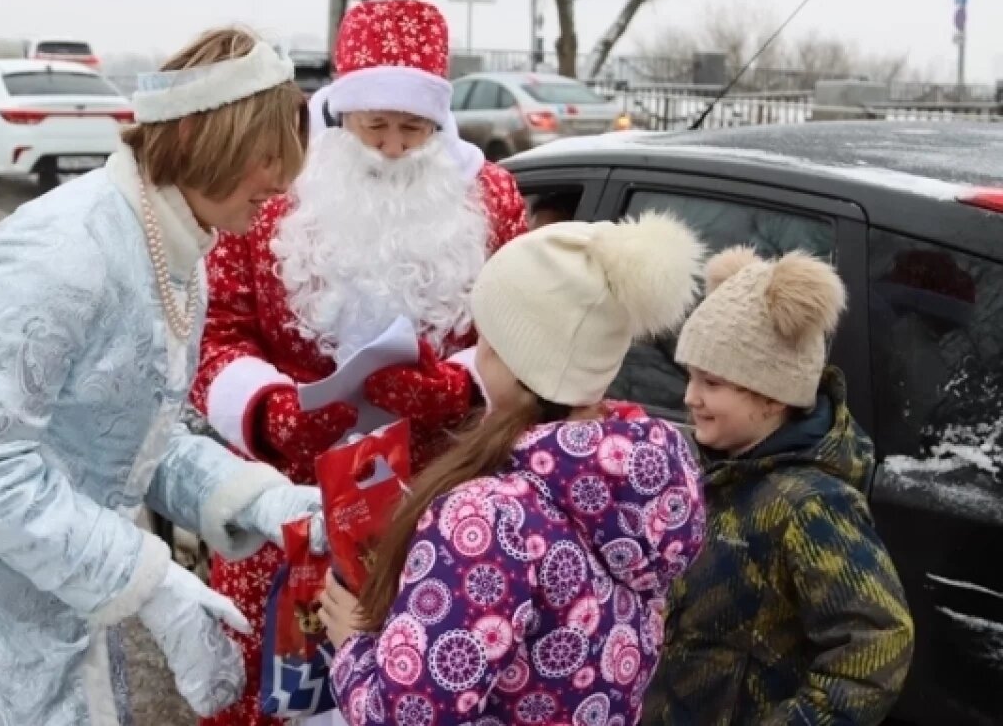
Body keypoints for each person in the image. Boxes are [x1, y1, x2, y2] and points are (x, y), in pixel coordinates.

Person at [0, 29, 324, 726]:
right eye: (268, 158)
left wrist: (259, 499)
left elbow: (136, 433)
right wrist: (149, 580)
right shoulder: (60, 250)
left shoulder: (178, 255)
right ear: (207, 138)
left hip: (44, 593)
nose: (281, 184)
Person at [191, 0, 527, 726]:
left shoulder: (491, 197)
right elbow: (215, 332)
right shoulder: (275, 192)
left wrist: (458, 387)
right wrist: (269, 413)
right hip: (286, 502)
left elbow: (527, 338)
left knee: (416, 679)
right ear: (340, 115)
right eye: (375, 125)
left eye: (414, 127)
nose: (394, 145)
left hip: (436, 505)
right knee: (269, 682)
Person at [317, 213, 709, 725]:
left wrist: (353, 648)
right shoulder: (643, 483)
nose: (475, 357)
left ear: (513, 359)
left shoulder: (491, 519)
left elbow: (410, 713)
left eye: (487, 341)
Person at [643, 247, 915, 725]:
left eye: (711, 382)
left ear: (771, 396)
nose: (690, 397)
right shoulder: (719, 472)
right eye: (691, 376)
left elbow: (877, 645)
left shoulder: (812, 505)